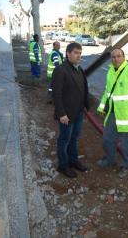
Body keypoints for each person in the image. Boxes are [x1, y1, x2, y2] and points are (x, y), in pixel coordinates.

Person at [97, 48, 128, 178]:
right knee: (107, 139)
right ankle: (110, 159)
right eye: (113, 57)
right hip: (113, 113)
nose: (116, 59)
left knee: (126, 145)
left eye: (119, 56)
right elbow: (108, 92)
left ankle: (125, 165)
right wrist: (102, 107)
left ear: (124, 57)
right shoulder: (110, 72)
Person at [52, 42, 89, 178]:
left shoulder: (78, 69)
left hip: (78, 112)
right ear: (68, 54)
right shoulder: (61, 70)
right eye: (76, 53)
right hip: (66, 114)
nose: (79, 56)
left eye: (80, 53)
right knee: (64, 139)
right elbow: (56, 94)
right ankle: (63, 165)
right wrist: (61, 114)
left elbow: (82, 88)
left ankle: (73, 160)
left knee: (74, 137)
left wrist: (85, 105)